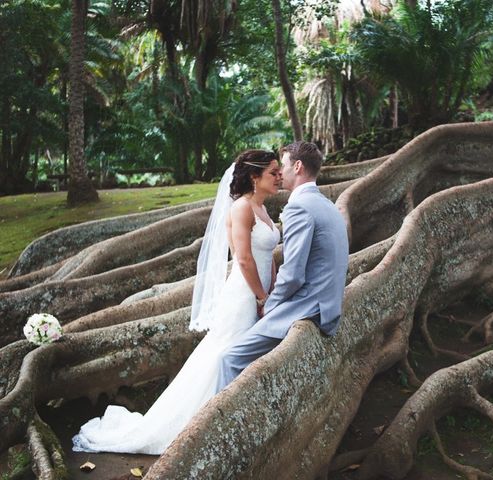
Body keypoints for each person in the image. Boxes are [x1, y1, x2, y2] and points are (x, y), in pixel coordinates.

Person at [72, 150, 281, 455]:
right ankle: (204, 423)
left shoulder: (264, 209)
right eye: (273, 172)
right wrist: (261, 297)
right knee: (224, 353)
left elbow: (268, 257)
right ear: (254, 176)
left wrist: (273, 288)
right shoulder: (242, 208)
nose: (278, 177)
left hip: (262, 292)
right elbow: (245, 259)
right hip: (242, 295)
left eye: (278, 172)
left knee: (242, 354)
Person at [214, 141, 349, 392]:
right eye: (273, 172)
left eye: (282, 167)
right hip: (327, 303)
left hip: (308, 305)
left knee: (229, 359)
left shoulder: (300, 206)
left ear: (297, 167)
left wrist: (270, 304)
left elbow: (294, 273)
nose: (279, 175)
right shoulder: (326, 204)